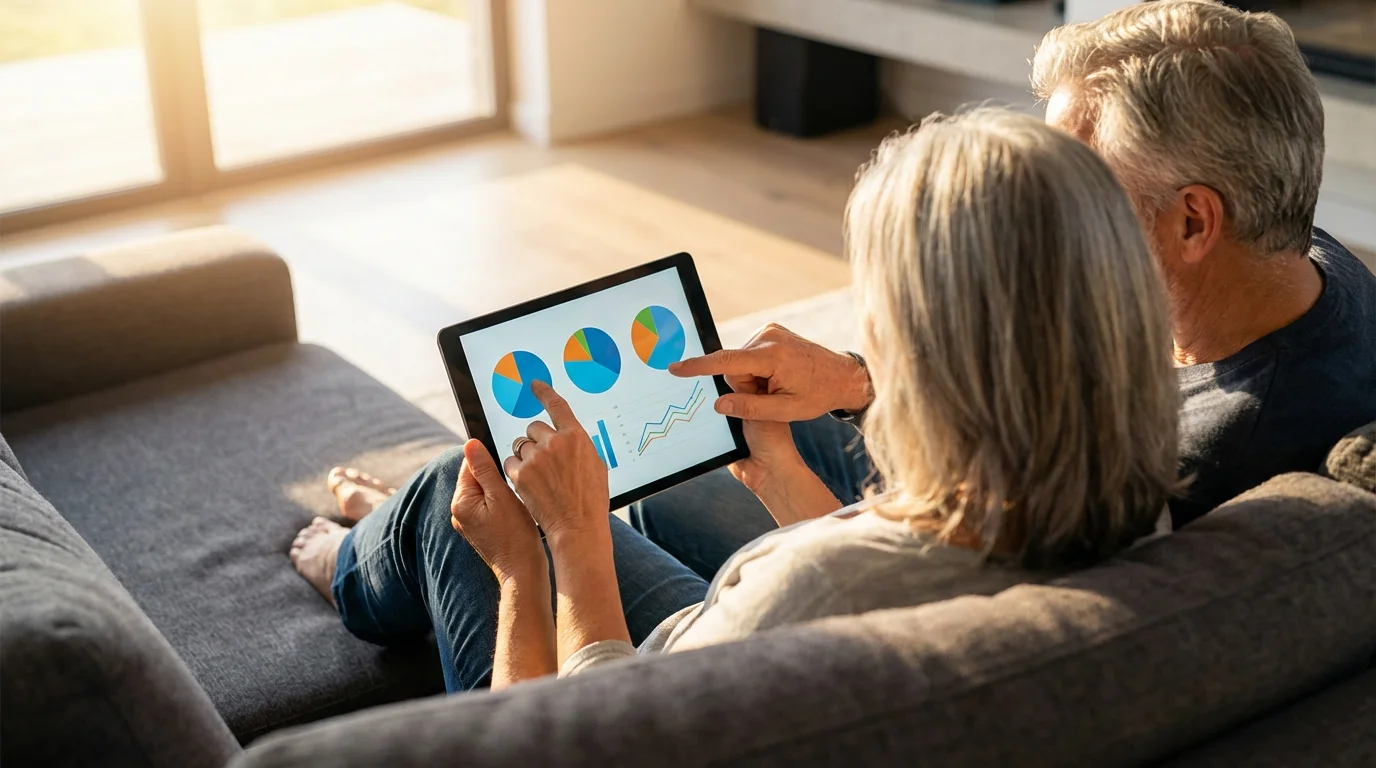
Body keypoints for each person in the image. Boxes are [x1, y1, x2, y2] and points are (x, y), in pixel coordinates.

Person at [290, 109, 1182, 690]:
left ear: (922, 342)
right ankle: (399, 539)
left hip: (669, 679)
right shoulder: (1140, 503)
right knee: (690, 467)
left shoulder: (811, 587)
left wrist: (549, 553)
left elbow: (582, 734)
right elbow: (902, 573)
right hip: (765, 638)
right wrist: (784, 480)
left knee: (461, 499)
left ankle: (369, 567)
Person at [631, 0, 1376, 582]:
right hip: (994, 478)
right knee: (704, 436)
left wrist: (792, 495)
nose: (1038, 206)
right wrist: (858, 382)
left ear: (1192, 221)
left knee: (672, 488)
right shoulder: (1308, 259)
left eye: (1072, 184)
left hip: (936, 556)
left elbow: (946, 598)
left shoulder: (1199, 463)